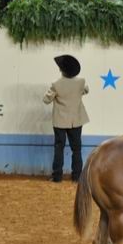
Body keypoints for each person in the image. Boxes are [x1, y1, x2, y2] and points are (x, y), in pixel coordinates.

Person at [43, 55, 89, 183]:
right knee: (77, 149)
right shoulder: (81, 82)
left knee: (59, 148)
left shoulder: (56, 84)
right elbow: (86, 91)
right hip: (76, 121)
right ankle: (77, 177)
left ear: (62, 70)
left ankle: (57, 176)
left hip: (60, 121)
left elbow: (46, 100)